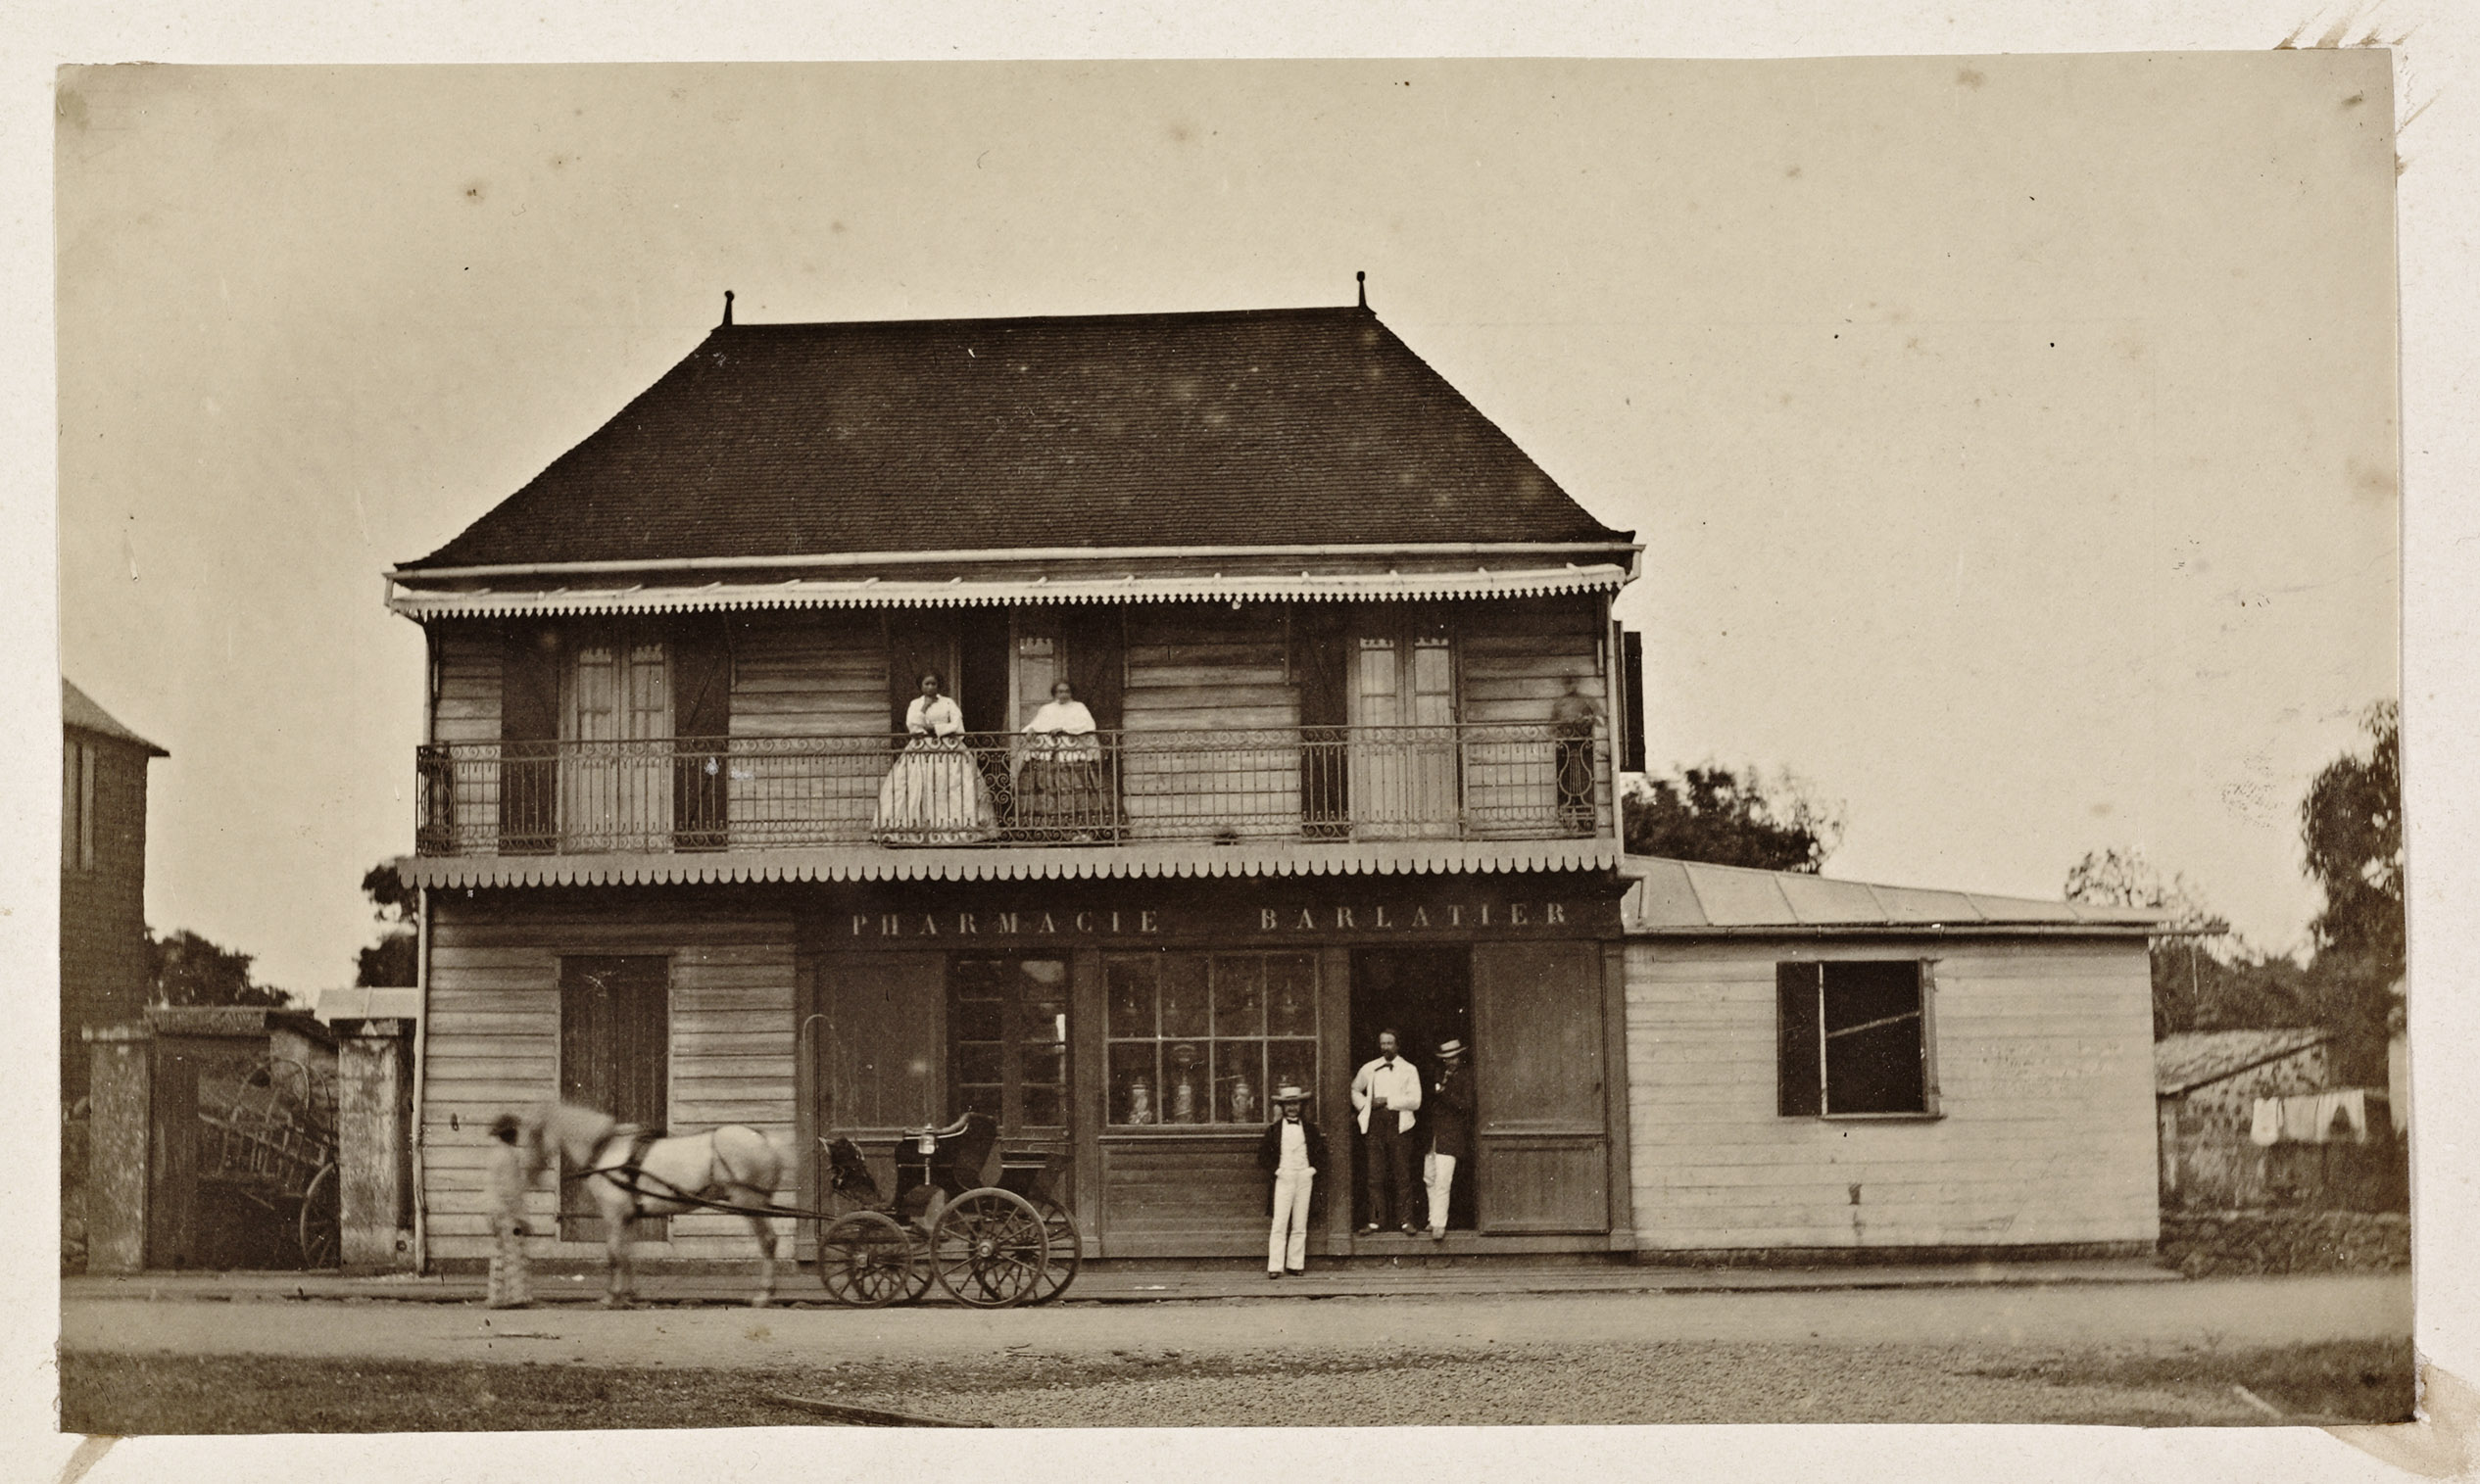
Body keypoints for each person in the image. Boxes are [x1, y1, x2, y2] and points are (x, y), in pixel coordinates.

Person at [872, 672, 998, 844]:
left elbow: (957, 725)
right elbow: (912, 724)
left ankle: (957, 830)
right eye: (927, 684)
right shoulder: (916, 704)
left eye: (933, 684)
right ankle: (915, 830)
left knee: (952, 786)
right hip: (922, 748)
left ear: (939, 686)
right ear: (921, 686)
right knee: (916, 787)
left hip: (948, 749)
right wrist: (924, 709)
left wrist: (936, 729)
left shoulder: (948, 703)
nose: (930, 687)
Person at [1349, 1029, 1423, 1235]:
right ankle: (1376, 1221)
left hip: (1399, 1124)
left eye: (1390, 1043)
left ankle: (1405, 1220)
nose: (1386, 1047)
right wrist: (1366, 1105)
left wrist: (1388, 1101)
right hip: (1375, 1124)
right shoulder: (1370, 1068)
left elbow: (1416, 1101)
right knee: (1375, 1176)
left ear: (1397, 1045)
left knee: (1402, 1175)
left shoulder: (1409, 1069)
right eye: (1383, 1043)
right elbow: (1354, 1088)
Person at [1017, 678, 1105, 838]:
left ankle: (1080, 830)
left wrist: (1065, 729)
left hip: (1071, 755)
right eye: (1059, 691)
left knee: (1075, 794)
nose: (1063, 694)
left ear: (1071, 692)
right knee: (1050, 795)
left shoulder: (1079, 708)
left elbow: (1088, 726)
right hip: (1050, 756)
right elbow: (1036, 724)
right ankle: (1053, 831)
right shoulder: (1047, 709)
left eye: (1066, 691)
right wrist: (1029, 730)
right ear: (1054, 693)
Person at [1255, 1083, 1327, 1278]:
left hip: (1304, 1176)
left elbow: (1322, 1155)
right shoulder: (1274, 1130)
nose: (1292, 1108)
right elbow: (1263, 1157)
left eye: (1295, 1104)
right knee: (1279, 1222)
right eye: (1288, 1105)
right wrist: (1278, 1171)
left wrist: (1311, 1170)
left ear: (1301, 1105)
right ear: (1282, 1107)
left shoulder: (1311, 1130)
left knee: (1300, 1223)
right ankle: (1275, 1266)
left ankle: (1295, 1264)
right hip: (1284, 1177)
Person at [1421, 1038, 1473, 1240]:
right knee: (1429, 1177)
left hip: (1451, 1136)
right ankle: (1433, 1218)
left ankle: (1439, 1224)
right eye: (1447, 1059)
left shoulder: (1466, 1077)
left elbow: (1466, 1104)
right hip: (1433, 1136)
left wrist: (1443, 1094)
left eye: (1453, 1058)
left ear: (1460, 1057)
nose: (1450, 1062)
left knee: (1443, 1180)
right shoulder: (1439, 1075)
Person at [484, 1112, 533, 1310]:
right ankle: (515, 1297)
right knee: (513, 1255)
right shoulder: (510, 1157)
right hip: (508, 1212)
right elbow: (511, 1191)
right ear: (511, 1135)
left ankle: (498, 1296)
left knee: (500, 1254)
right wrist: (522, 1217)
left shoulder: (496, 1155)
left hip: (495, 1211)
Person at [1549, 677, 1605, 834]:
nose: (1570, 686)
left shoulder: (1588, 700)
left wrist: (1589, 719)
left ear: (1577, 683)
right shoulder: (1560, 704)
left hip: (1583, 749)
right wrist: (1561, 725)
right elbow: (1551, 728)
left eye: (1572, 682)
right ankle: (1566, 824)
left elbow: (1602, 720)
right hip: (1564, 749)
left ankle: (1585, 823)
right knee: (1565, 785)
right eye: (1567, 683)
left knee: (1584, 784)